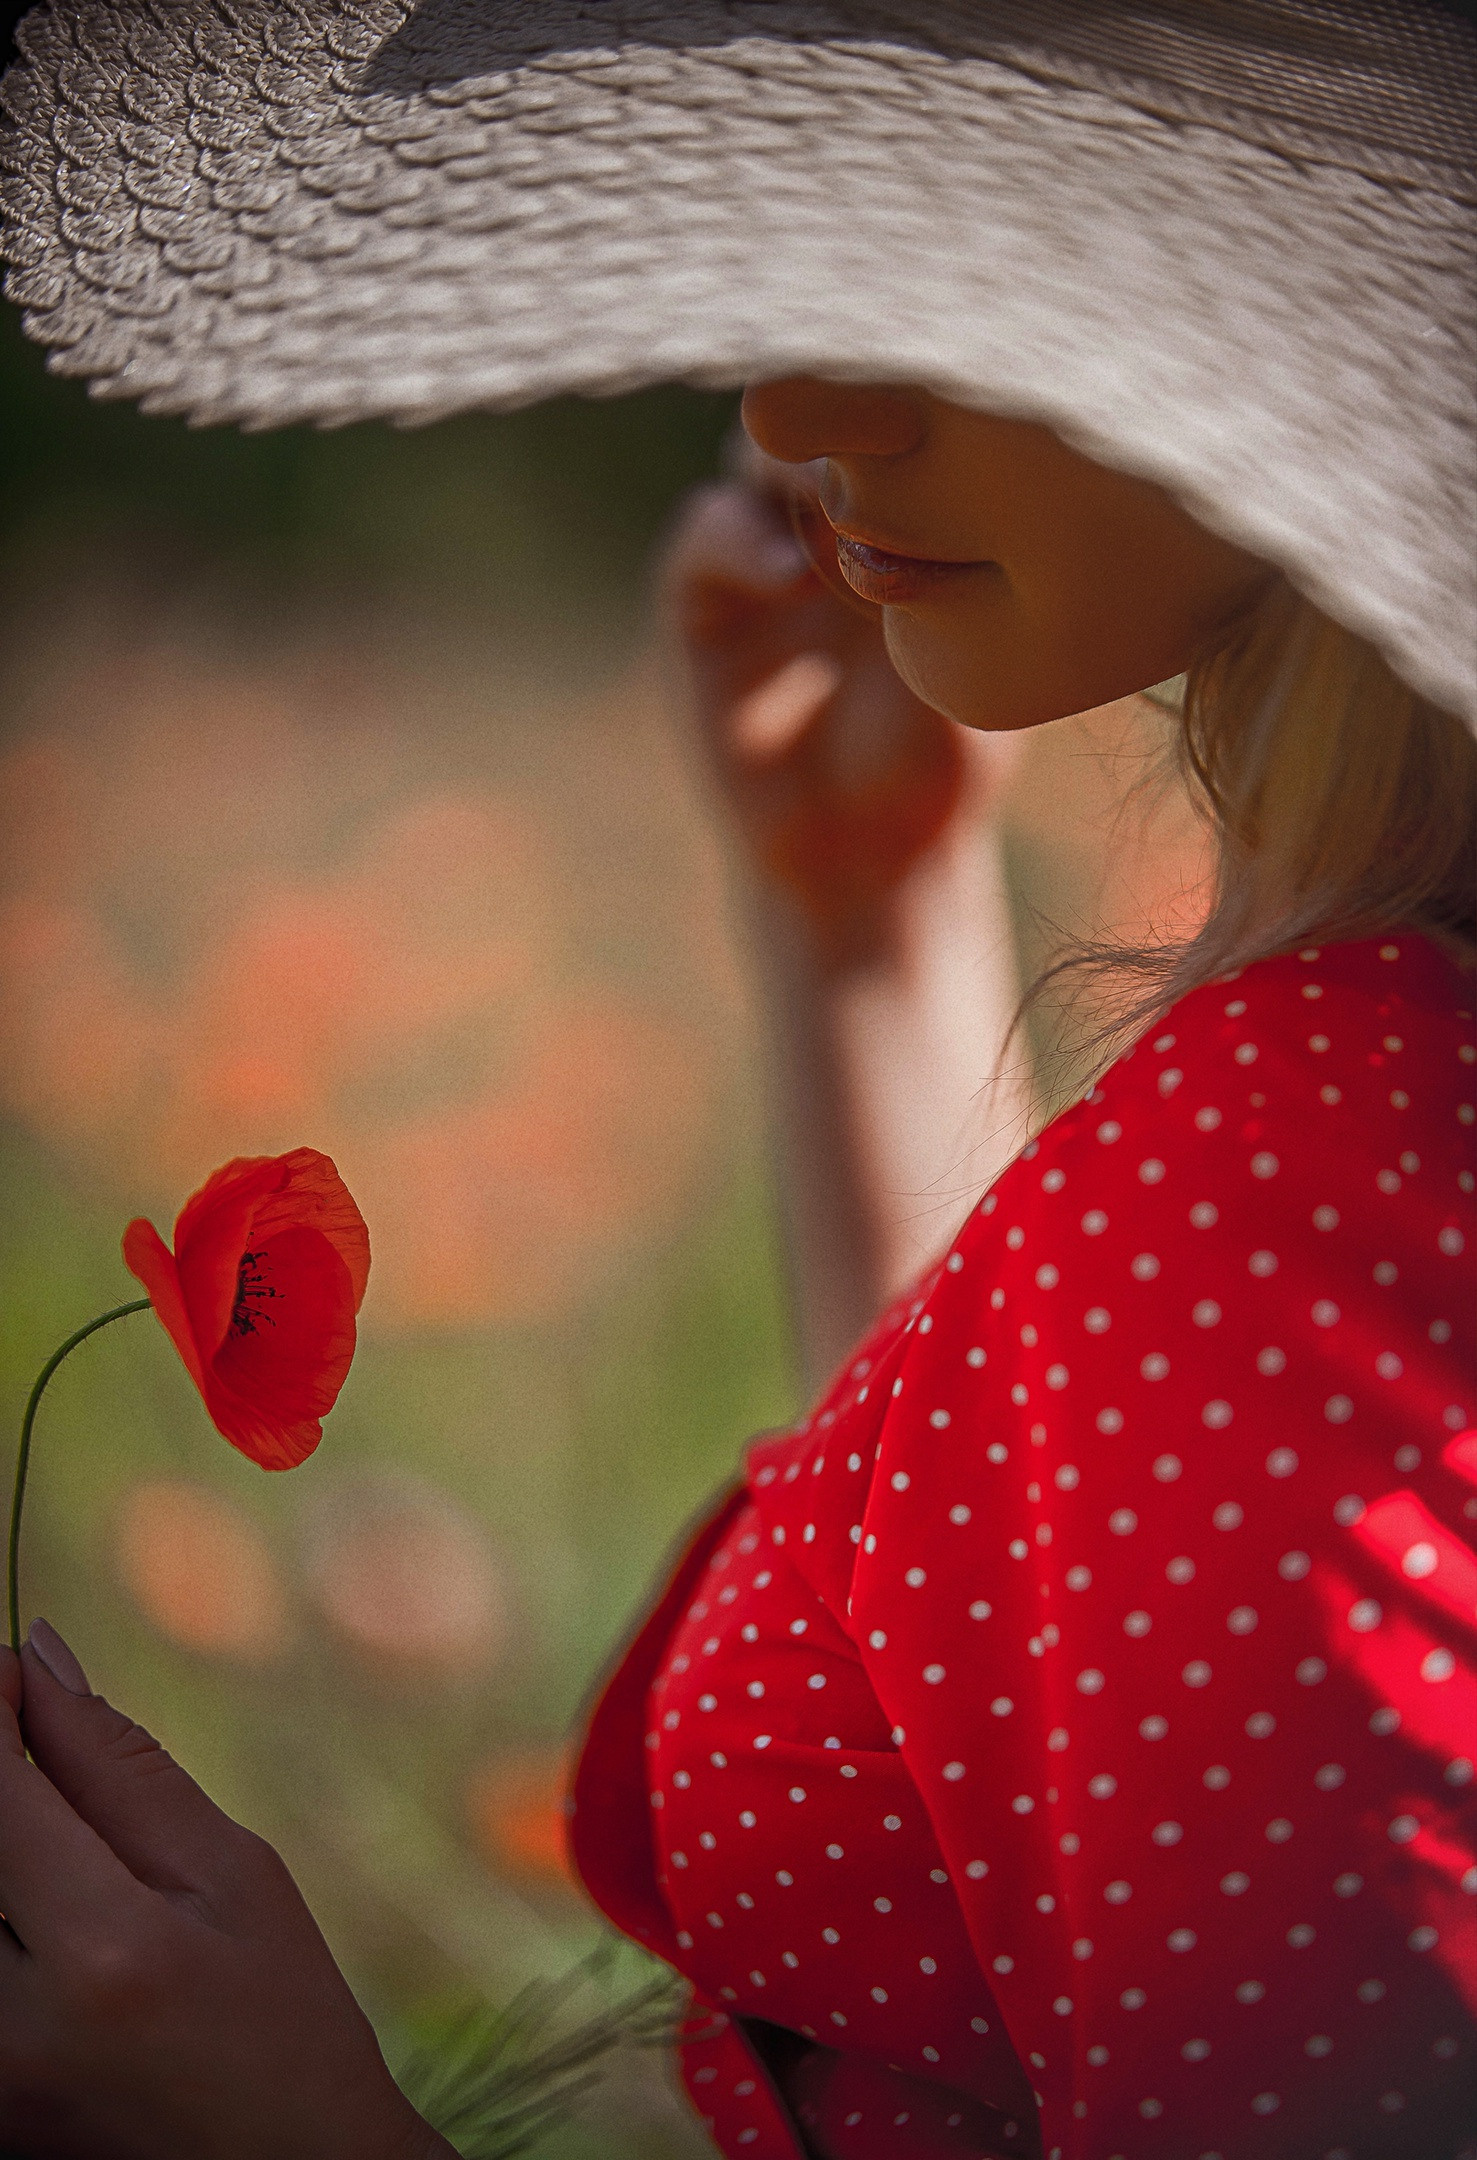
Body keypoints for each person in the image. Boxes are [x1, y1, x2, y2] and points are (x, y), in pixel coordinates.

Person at [0, 5, 1472, 2157]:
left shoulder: (1304, 1138)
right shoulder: (1361, 1104)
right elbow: (1014, 1691)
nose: (796, 405)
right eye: (826, 231)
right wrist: (864, 936)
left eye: (967, 235)